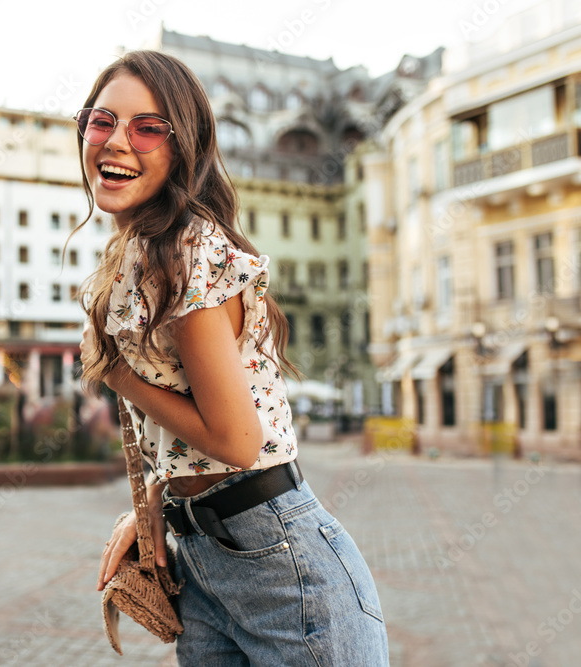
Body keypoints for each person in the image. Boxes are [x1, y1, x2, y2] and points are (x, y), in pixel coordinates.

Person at [75, 51, 389, 665]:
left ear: (183, 147)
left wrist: (113, 374)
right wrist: (153, 509)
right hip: (205, 559)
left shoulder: (187, 252)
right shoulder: (139, 253)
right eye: (101, 120)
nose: (116, 142)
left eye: (148, 128)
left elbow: (239, 440)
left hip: (280, 565)